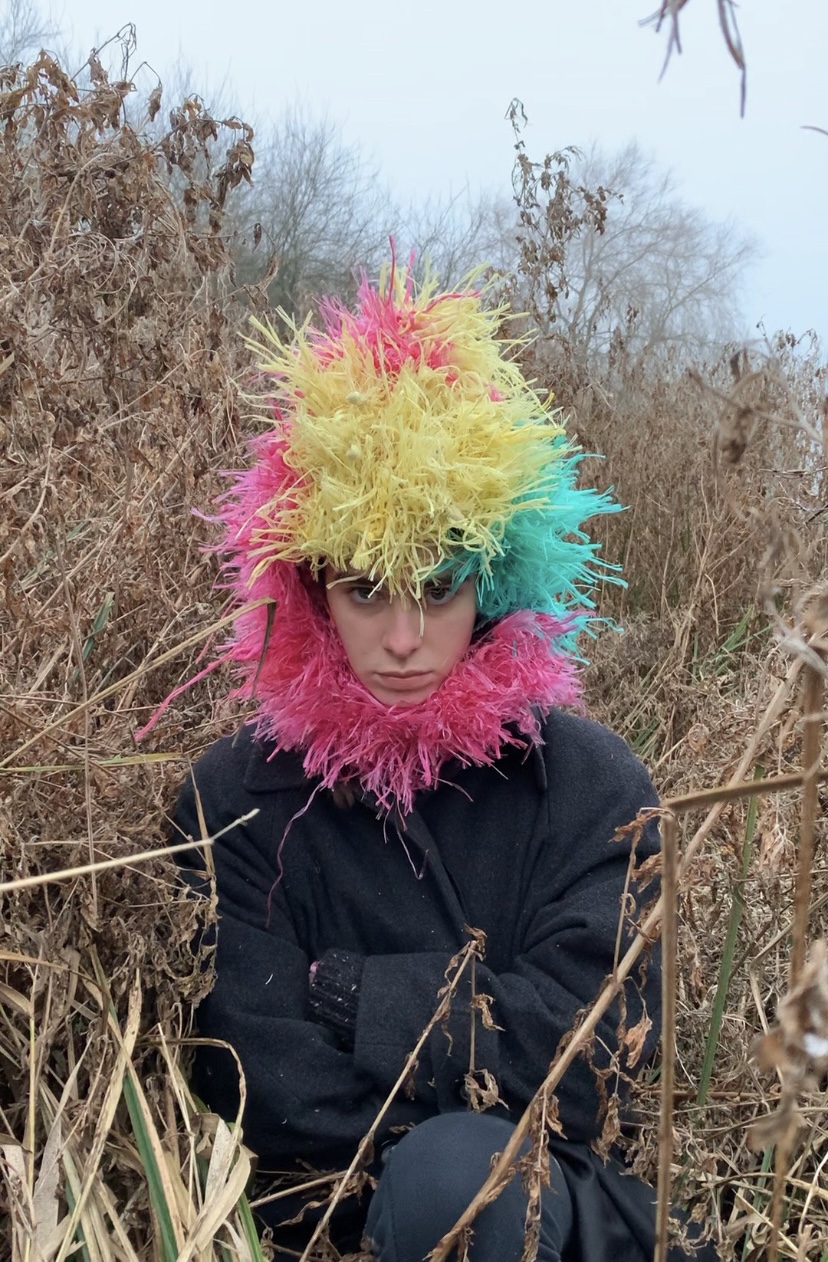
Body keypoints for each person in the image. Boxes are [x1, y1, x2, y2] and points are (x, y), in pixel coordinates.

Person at [169, 262, 711, 1261]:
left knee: (459, 1183)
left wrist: (350, 992)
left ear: (496, 577)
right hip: (310, 1221)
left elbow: (593, 1063)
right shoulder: (234, 796)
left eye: (444, 581)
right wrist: (466, 1076)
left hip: (562, 1216)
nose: (407, 637)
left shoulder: (593, 786)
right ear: (311, 590)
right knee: (442, 1170)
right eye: (369, 588)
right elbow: (251, 1073)